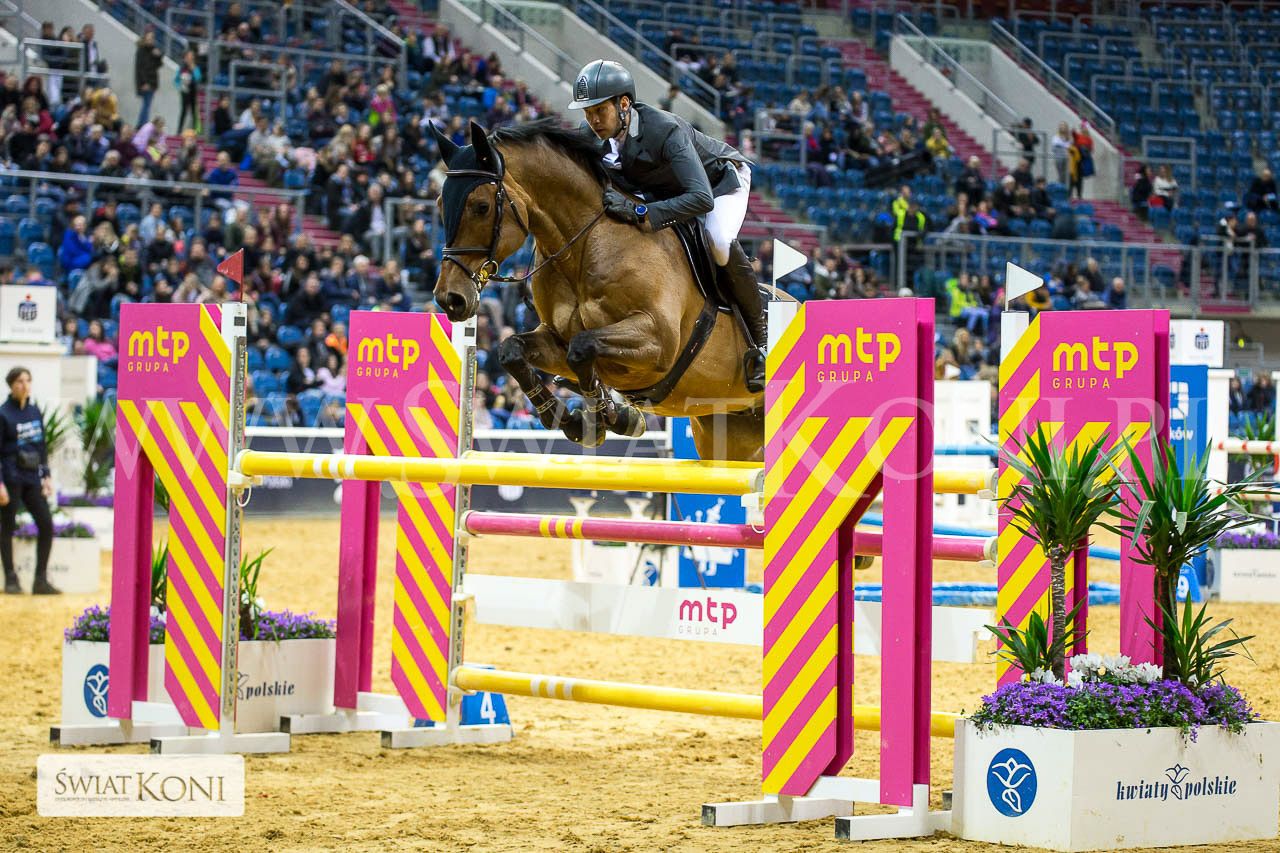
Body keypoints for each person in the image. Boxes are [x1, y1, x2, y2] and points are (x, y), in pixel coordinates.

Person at [567, 59, 765, 392]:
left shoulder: (664, 130)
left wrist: (639, 211)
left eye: (599, 110)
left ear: (624, 104)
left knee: (717, 239)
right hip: (666, 191)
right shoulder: (593, 138)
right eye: (587, 112)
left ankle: (762, 342)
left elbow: (701, 199)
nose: (593, 120)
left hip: (719, 183)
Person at [0, 368, 57, 594]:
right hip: (11, 478)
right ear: (11, 385)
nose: (24, 385)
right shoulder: (3, 413)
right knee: (7, 527)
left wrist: (46, 476)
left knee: (46, 524)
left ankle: (40, 580)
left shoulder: (34, 411)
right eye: (19, 381)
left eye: (28, 381)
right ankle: (10, 579)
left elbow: (41, 446)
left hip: (32, 478)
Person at [134, 30, 163, 126]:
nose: (150, 40)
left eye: (152, 38)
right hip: (146, 82)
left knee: (147, 104)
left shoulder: (153, 50)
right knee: (146, 105)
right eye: (149, 38)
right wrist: (144, 83)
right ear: (145, 38)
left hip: (153, 82)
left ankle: (141, 124)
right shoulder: (141, 51)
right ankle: (142, 125)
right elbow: (140, 68)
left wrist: (158, 56)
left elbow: (158, 65)